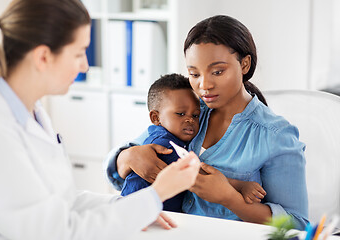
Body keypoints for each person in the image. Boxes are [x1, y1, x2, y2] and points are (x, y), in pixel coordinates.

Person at [0, 0, 201, 239]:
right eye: (79, 53)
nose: (85, 66)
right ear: (43, 57)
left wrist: (133, 209)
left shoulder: (32, 112)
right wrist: (157, 194)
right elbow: (57, 232)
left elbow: (63, 201)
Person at [105, 15, 309, 230]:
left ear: (244, 64)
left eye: (218, 72)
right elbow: (117, 171)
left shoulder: (275, 134)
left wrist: (230, 198)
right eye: (194, 73)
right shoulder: (188, 112)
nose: (204, 85)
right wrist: (128, 157)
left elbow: (297, 224)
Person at [121, 73, 267, 213]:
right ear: (156, 118)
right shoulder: (163, 144)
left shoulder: (178, 139)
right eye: (180, 114)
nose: (190, 120)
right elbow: (196, 174)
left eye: (195, 115)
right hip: (138, 213)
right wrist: (240, 186)